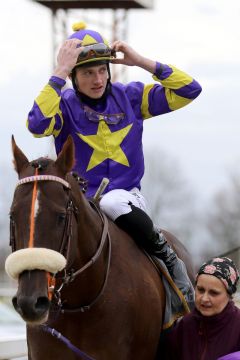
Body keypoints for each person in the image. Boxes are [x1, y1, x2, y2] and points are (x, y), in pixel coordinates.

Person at [27, 22, 201, 305]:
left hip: (126, 200)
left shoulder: (131, 97)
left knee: (111, 202)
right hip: (80, 204)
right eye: (87, 73)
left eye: (101, 70)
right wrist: (58, 72)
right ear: (73, 76)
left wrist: (142, 62)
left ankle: (166, 257)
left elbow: (189, 90)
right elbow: (36, 125)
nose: (97, 79)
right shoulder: (64, 106)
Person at [164, 257, 240, 360]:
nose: (204, 299)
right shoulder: (184, 326)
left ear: (229, 294)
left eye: (214, 293)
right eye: (200, 290)